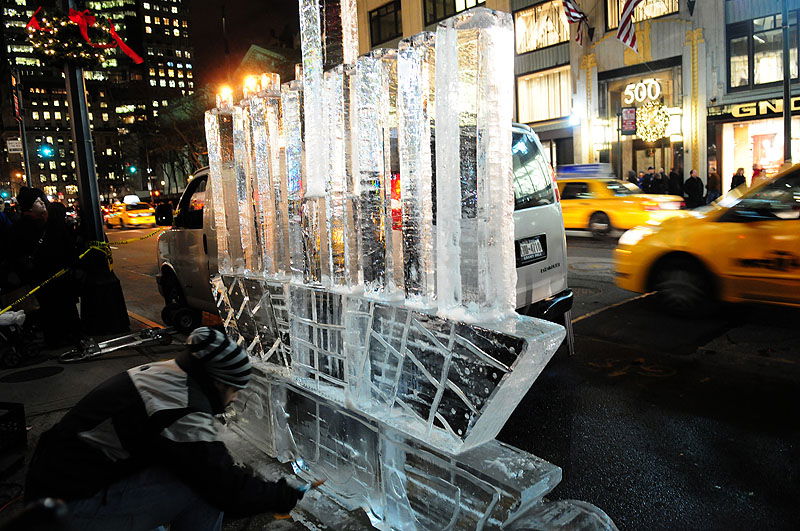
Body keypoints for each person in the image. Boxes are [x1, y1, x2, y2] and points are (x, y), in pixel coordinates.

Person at [25, 327, 306, 530]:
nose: (235, 398)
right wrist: (279, 495)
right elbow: (222, 487)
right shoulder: (181, 407)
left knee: (192, 475)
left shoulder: (168, 372)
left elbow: (199, 461)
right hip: (67, 509)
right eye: (234, 390)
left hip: (58, 485)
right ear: (218, 382)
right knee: (201, 490)